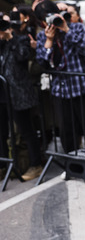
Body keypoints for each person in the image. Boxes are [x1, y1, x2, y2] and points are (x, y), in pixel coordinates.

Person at [35, 0, 85, 154]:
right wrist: (49, 41)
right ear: (42, 21)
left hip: (82, 87)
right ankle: (74, 166)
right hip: (61, 91)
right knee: (67, 133)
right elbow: (42, 63)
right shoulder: (42, 37)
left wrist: (66, 29)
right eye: (47, 18)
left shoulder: (76, 27)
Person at [0, 13, 44, 181]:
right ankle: (3, 166)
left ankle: (36, 165)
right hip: (2, 95)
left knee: (27, 131)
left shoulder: (21, 40)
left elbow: (22, 56)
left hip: (19, 94)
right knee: (1, 133)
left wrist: (10, 37)